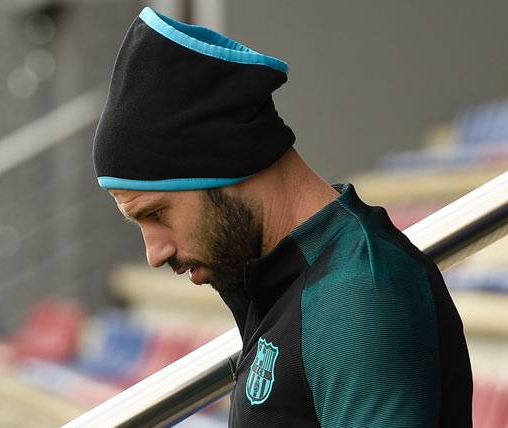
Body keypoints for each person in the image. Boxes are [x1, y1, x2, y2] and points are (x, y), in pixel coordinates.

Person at [92, 6, 472, 428]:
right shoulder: (282, 281)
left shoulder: (358, 297)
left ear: (225, 164)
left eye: (158, 213)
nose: (154, 253)